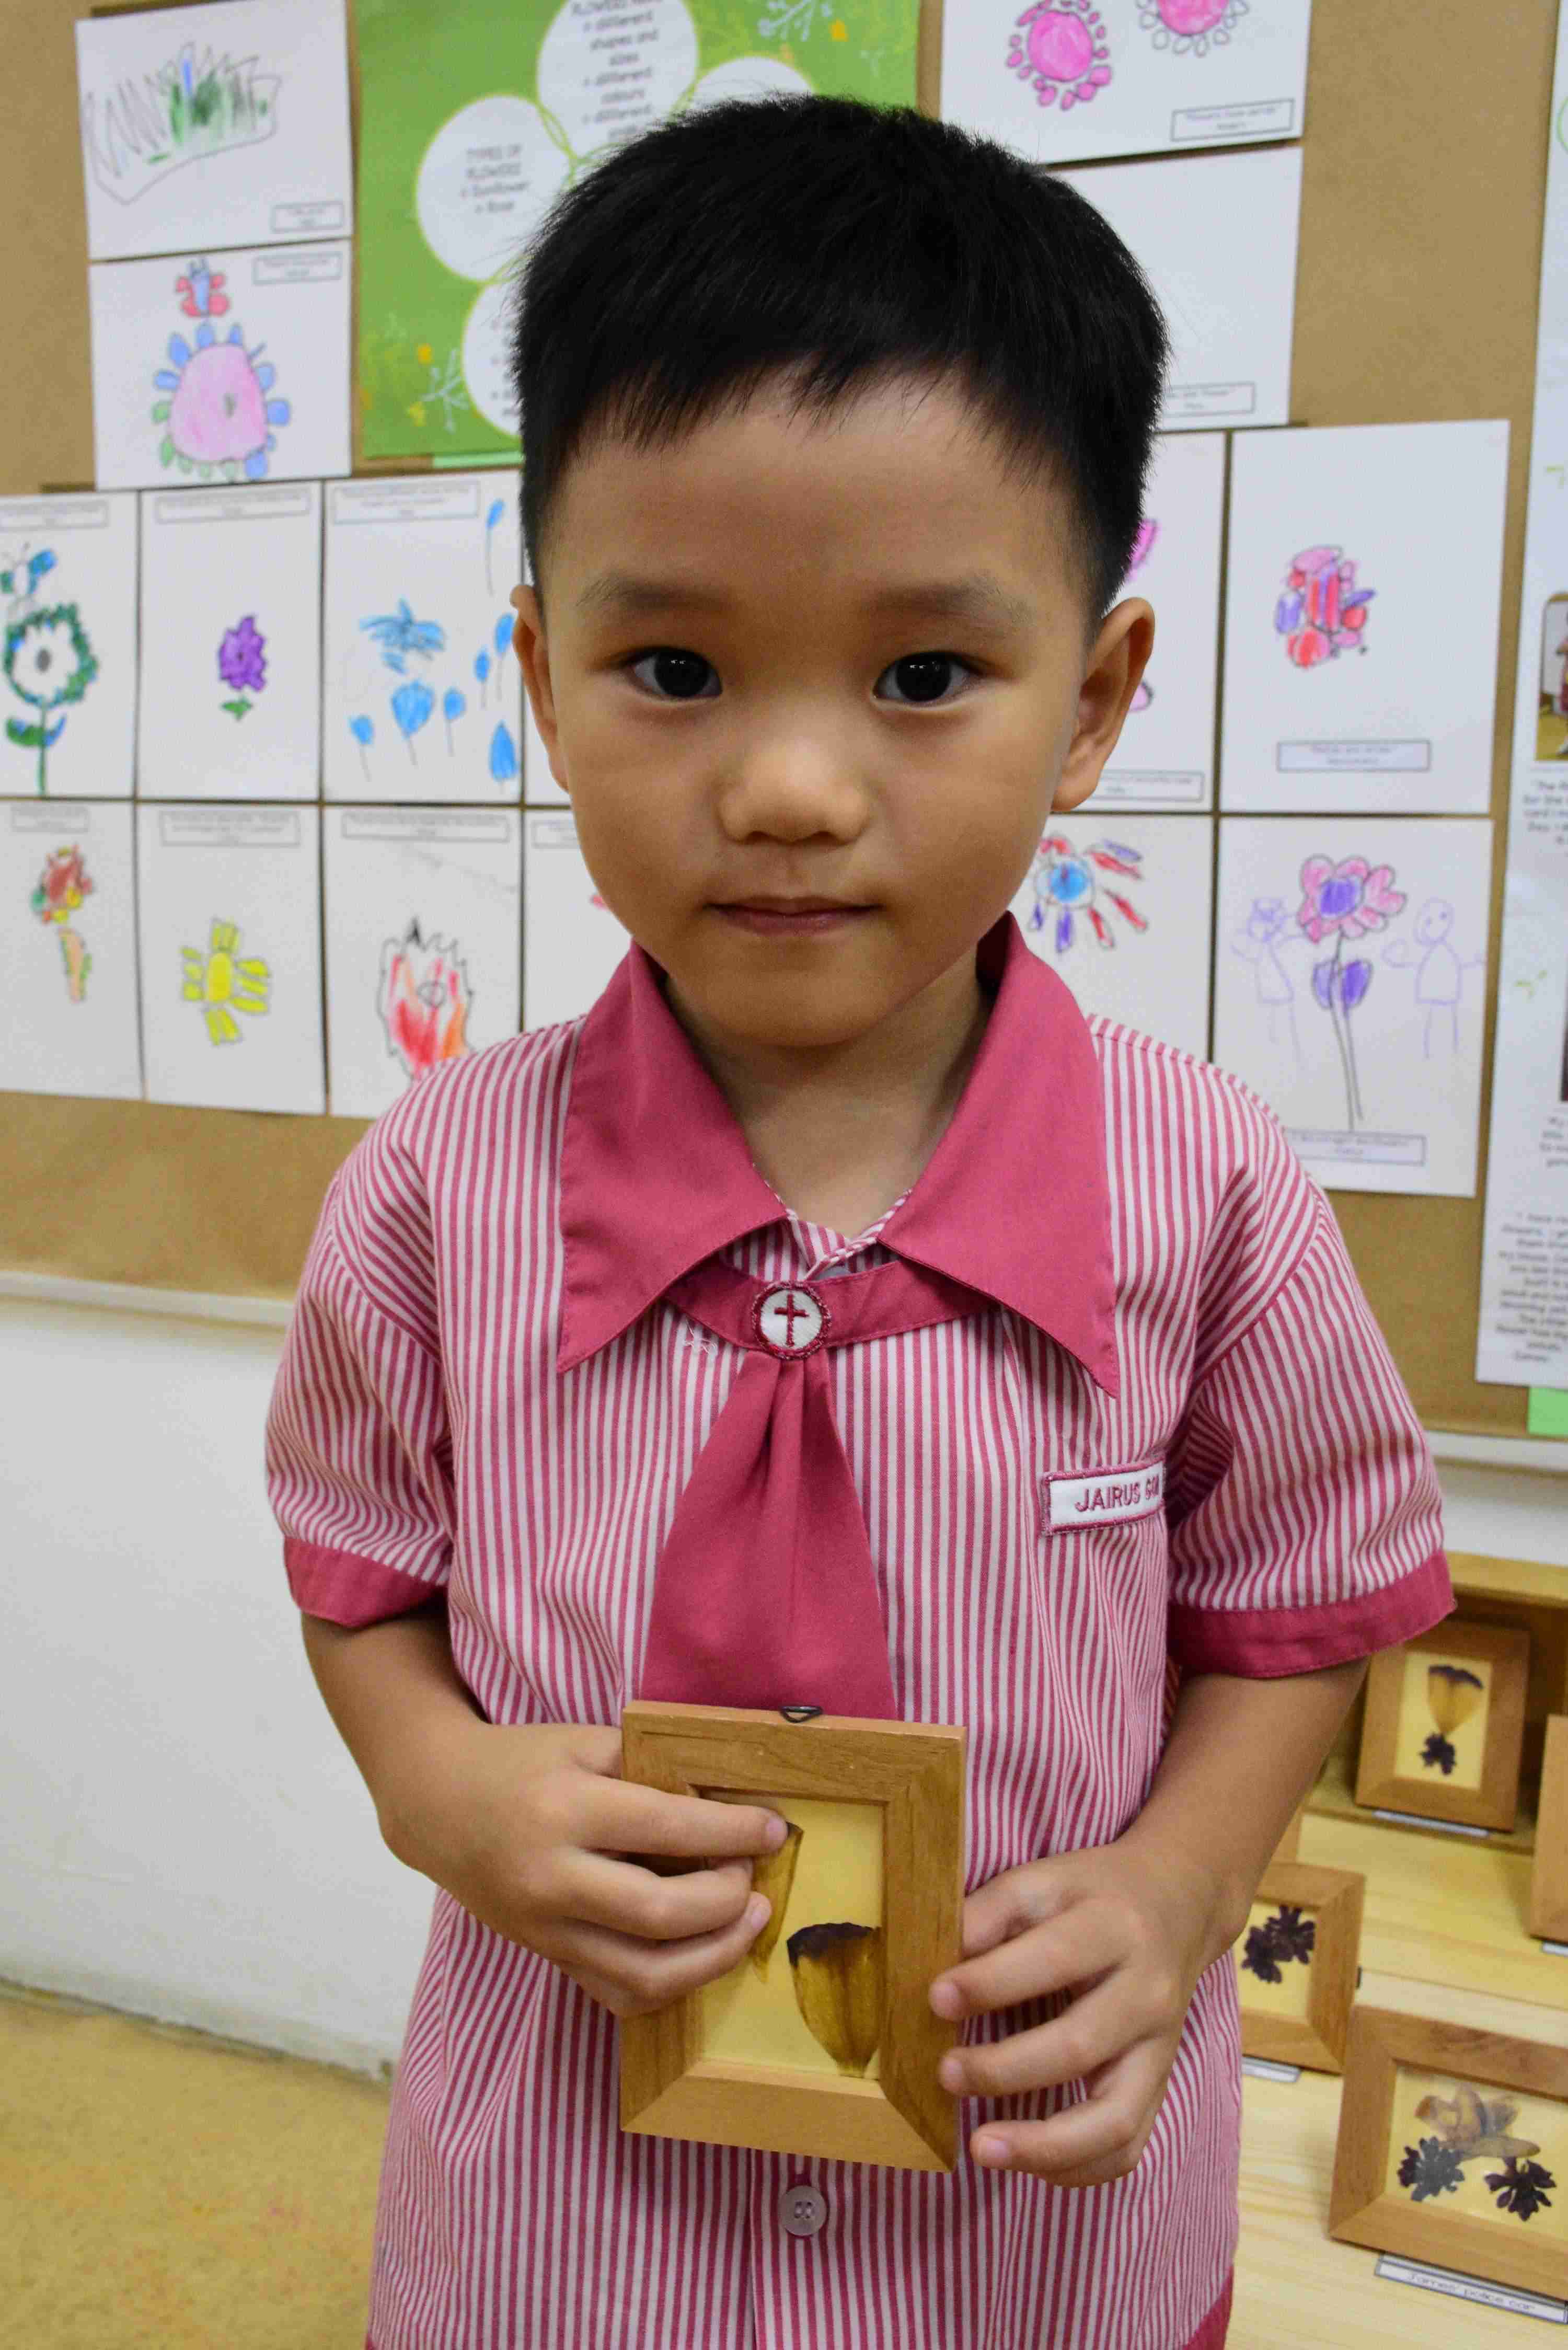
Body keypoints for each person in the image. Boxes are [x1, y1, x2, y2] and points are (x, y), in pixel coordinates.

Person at [265, 94, 1451, 2350]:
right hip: (565, 2232)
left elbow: (1298, 1607)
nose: (794, 788)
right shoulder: (433, 1186)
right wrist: (436, 1787)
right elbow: (360, 1569)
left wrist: (1183, 1888)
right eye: (675, 669)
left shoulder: (1208, 1186)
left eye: (923, 677)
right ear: (539, 680)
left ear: (1093, 701)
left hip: (1035, 2229)